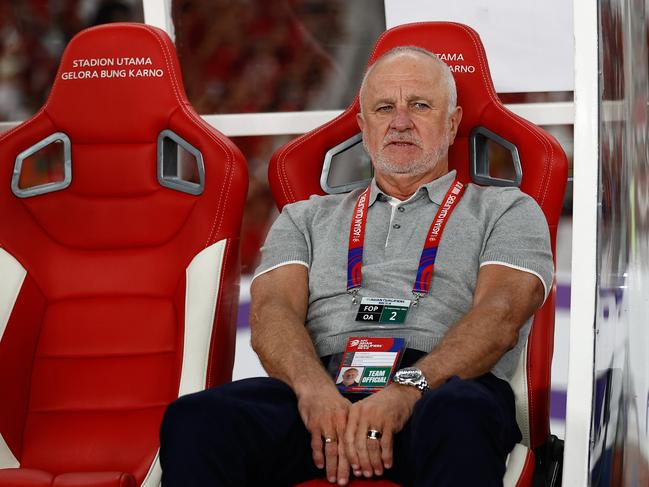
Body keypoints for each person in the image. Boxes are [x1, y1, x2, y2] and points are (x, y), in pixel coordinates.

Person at [159, 45, 553, 487]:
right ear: (364, 128)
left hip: (437, 391)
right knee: (196, 420)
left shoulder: (506, 210)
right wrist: (313, 390)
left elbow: (499, 318)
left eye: (419, 105)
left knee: (461, 413)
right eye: (385, 108)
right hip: (323, 390)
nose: (400, 121)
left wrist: (406, 390)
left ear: (453, 122)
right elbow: (273, 314)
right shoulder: (304, 217)